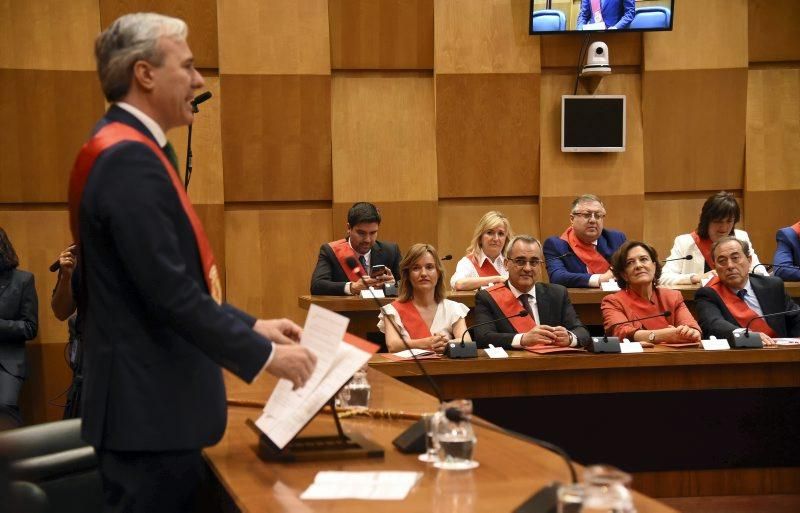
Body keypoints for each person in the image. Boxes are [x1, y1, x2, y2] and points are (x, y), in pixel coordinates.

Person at [72, 13, 317, 512]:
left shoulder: (126, 147)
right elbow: (170, 295)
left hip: (151, 415)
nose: (200, 79)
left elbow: (164, 284)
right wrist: (266, 357)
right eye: (186, 66)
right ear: (145, 74)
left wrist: (254, 325)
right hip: (150, 419)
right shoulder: (128, 160)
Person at [473, 235, 590, 349]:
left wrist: (569, 337)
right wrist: (523, 339)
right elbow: (483, 338)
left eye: (534, 262)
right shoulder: (487, 297)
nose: (527, 268)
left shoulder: (557, 294)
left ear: (540, 266)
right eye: (520, 261)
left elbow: (582, 332)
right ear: (506, 264)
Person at [695, 237, 800, 346]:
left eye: (735, 258)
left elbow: (796, 318)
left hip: (780, 353)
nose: (730, 266)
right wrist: (747, 336)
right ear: (715, 267)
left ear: (749, 260)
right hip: (740, 356)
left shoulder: (772, 286)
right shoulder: (708, 294)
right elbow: (713, 324)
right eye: (722, 261)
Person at [601, 241, 701, 343]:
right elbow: (621, 332)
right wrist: (663, 335)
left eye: (643, 259)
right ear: (624, 274)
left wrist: (691, 332)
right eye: (630, 262)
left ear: (654, 266)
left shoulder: (673, 296)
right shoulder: (614, 301)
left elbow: (692, 328)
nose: (638, 265)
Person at [661, 192, 768, 286]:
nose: (724, 227)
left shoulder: (741, 238)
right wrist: (696, 278)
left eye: (729, 221)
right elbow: (663, 278)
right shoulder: (685, 242)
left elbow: (760, 273)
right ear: (706, 220)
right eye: (718, 221)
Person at [378, 244, 469, 353]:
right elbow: (393, 346)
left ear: (438, 272)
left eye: (429, 267)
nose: (423, 273)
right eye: (416, 268)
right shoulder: (392, 310)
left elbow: (466, 341)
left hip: (445, 369)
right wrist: (426, 343)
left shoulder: (453, 308)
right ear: (408, 275)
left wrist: (447, 345)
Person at [310, 202, 401, 296]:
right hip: (344, 310)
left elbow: (409, 286)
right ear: (349, 228)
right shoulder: (330, 251)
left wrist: (393, 286)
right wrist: (352, 287)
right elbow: (317, 286)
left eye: (373, 233)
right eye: (361, 233)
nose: (367, 239)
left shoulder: (391, 251)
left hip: (380, 310)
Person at [543, 194, 626, 288]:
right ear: (572, 219)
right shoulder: (556, 245)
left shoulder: (616, 239)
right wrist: (600, 279)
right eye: (587, 215)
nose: (593, 220)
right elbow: (557, 277)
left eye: (598, 215)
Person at [0, 228, 38, 430]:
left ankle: (12, 461)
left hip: (7, 362)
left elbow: (30, 327)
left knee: (4, 407)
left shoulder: (23, 280)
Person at [50, 244, 83, 419]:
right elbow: (61, 312)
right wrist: (66, 277)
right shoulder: (79, 256)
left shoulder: (137, 253)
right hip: (89, 362)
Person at [450, 211, 512, 291]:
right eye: (490, 233)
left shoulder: (511, 262)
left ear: (506, 238)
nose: (496, 238)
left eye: (501, 234)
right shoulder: (469, 262)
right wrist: (497, 279)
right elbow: (459, 284)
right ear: (480, 237)